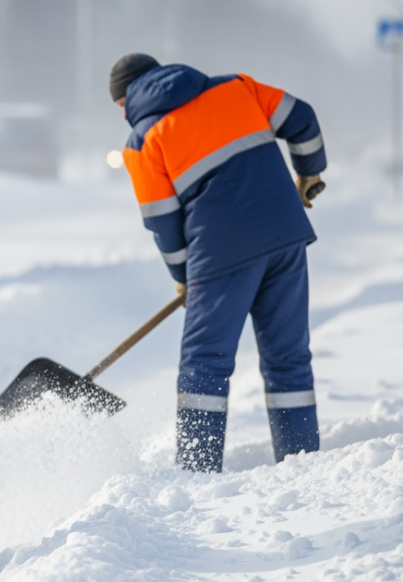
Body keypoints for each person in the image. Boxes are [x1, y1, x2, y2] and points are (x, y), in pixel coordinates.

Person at [109, 53, 327, 473]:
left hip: (220, 253)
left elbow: (163, 224)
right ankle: (302, 465)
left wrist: (184, 276)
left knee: (204, 367)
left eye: (120, 109)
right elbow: (303, 117)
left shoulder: (142, 141)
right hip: (285, 235)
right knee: (288, 358)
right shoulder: (235, 87)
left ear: (126, 100)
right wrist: (309, 173)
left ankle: (196, 474)